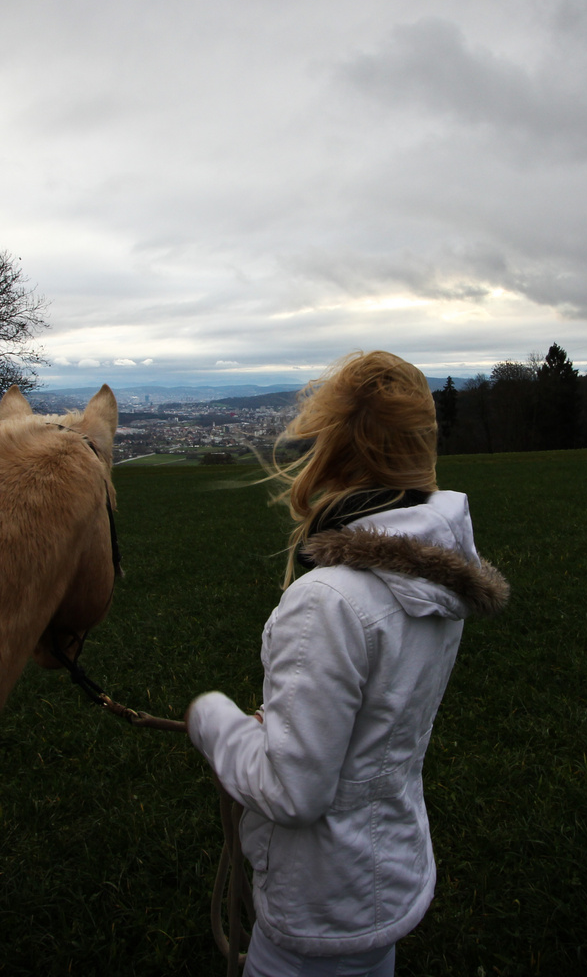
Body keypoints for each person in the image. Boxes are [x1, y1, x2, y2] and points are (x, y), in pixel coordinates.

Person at [187, 351, 509, 977]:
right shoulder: (433, 581)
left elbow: (293, 790)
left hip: (317, 906)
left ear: (333, 449)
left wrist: (213, 720)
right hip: (386, 874)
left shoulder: (328, 601)